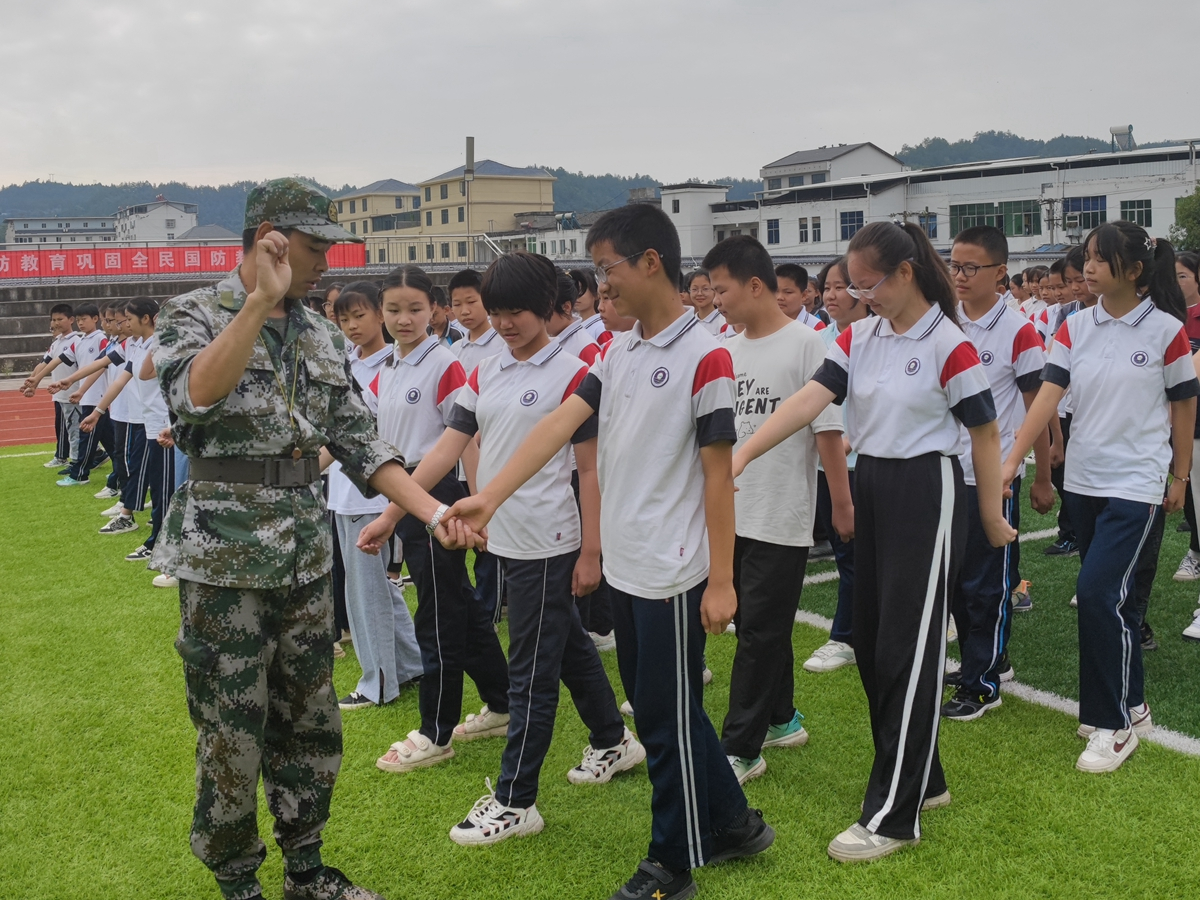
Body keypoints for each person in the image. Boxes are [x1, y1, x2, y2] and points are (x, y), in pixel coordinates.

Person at [151, 178, 476, 900]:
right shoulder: (194, 315)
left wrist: (431, 512)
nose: (326, 260)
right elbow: (197, 395)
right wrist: (260, 301)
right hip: (224, 558)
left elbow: (363, 444)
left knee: (310, 723)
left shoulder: (323, 335)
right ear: (267, 237)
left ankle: (306, 869)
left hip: (301, 553)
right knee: (230, 729)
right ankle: (238, 882)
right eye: (312, 244)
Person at [441, 204, 774, 900]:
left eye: (607, 269)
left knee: (661, 716)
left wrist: (721, 581)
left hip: (675, 568)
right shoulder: (616, 352)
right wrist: (491, 495)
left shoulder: (705, 355)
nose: (600, 286)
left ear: (650, 262)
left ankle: (671, 863)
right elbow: (561, 425)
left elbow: (720, 475)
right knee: (662, 709)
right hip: (627, 564)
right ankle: (737, 823)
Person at [734, 221, 1015, 862]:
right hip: (875, 486)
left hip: (929, 490)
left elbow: (985, 435)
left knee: (908, 651)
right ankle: (926, 779)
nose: (861, 297)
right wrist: (744, 451)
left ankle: (892, 815)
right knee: (872, 647)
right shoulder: (861, 335)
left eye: (870, 285)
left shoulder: (952, 344)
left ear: (906, 273)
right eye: (854, 286)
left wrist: (992, 512)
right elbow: (810, 398)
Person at [370, 251, 644, 845]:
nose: (504, 323)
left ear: (548, 306)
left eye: (516, 311)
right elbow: (447, 446)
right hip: (497, 534)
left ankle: (516, 800)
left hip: (547, 540)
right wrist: (396, 511)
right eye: (496, 312)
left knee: (530, 672)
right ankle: (613, 739)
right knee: (564, 645)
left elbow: (589, 471)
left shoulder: (576, 371)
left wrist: (591, 550)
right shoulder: (486, 370)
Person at [1002, 222, 1197, 772]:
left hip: (1136, 484)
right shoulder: (1074, 326)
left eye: (1098, 259)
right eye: (1086, 257)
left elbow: (1184, 405)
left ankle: (1112, 724)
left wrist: (1179, 477)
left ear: (1134, 271)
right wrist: (1017, 458)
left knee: (1097, 592)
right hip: (1084, 483)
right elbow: (1049, 394)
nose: (1086, 268)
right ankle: (1132, 706)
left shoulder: (1166, 331)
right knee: (1114, 599)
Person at [702, 236, 851, 787]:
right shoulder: (726, 351)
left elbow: (828, 431)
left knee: (760, 632)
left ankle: (741, 747)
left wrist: (841, 503)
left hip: (781, 511)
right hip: (730, 513)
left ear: (755, 285)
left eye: (722, 289)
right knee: (754, 625)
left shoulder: (808, 346)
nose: (716, 300)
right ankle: (782, 719)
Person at [365, 265, 511, 774]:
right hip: (404, 493)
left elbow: (464, 438)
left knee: (439, 614)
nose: (403, 319)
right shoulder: (389, 365)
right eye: (393, 309)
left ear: (436, 310)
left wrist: (474, 499)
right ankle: (503, 701)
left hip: (436, 494)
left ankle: (435, 731)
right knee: (461, 605)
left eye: (414, 309)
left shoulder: (444, 363)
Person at [938, 227, 1052, 721]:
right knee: (957, 579)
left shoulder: (1019, 330)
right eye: (953, 266)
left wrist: (1042, 475)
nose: (958, 277)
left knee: (988, 583)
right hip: (947, 473)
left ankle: (982, 684)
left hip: (993, 477)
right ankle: (983, 661)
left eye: (970, 268)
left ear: (1000, 272)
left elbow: (1037, 411)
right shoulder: (943, 322)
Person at [322, 281, 425, 710]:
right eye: (343, 318)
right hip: (344, 493)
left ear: (378, 315)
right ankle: (411, 664)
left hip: (374, 495)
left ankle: (378, 683)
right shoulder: (348, 361)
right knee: (373, 590)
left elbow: (368, 434)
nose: (351, 326)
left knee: (366, 595)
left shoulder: (391, 366)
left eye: (359, 315)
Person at [803, 257, 870, 673]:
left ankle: (844, 636)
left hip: (866, 463)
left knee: (858, 554)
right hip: (828, 464)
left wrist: (852, 440)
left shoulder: (875, 339)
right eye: (826, 287)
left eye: (841, 286)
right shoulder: (820, 338)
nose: (830, 295)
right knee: (848, 552)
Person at [449, 267, 505, 616]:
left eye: (472, 301)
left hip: (491, 453)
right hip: (461, 455)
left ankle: (491, 604)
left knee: (490, 533)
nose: (464, 310)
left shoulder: (501, 344)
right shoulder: (455, 348)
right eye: (457, 304)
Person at [79, 299, 159, 536]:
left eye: (127, 319)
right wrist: (97, 411)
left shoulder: (159, 345)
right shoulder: (134, 346)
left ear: (146, 319)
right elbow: (119, 378)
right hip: (142, 418)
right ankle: (130, 513)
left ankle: (144, 517)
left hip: (157, 420)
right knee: (139, 467)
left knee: (155, 472)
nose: (123, 324)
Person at [48, 304, 105, 486]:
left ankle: (79, 474)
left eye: (84, 319)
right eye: (78, 320)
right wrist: (36, 379)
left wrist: (80, 388)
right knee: (111, 441)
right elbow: (59, 360)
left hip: (97, 396)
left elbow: (102, 365)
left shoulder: (101, 339)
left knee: (85, 436)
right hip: (87, 396)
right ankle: (119, 473)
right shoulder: (81, 341)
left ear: (96, 319)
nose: (80, 323)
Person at [23, 304, 79, 469]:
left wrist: (35, 380)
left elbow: (54, 363)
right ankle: (93, 453)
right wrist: (32, 381)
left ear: (71, 320)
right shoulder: (56, 343)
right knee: (64, 427)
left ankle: (71, 460)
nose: (56, 323)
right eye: (53, 320)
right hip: (59, 393)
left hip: (72, 392)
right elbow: (44, 363)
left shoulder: (75, 341)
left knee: (72, 428)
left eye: (60, 319)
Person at [547, 271, 603, 365]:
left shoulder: (585, 348)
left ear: (566, 307)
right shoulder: (553, 341)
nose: (537, 318)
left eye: (544, 310)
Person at [775, 263, 826, 331]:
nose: (779, 297)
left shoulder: (815, 326)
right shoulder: (765, 324)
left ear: (804, 295)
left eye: (788, 292)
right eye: (775, 291)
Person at [570, 267, 606, 340]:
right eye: (574, 290)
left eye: (581, 290)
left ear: (596, 294)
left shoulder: (601, 328)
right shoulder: (572, 326)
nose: (577, 296)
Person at [687, 268, 726, 335]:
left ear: (714, 290)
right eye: (694, 289)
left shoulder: (722, 322)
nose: (699, 293)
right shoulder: (689, 323)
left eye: (705, 289)